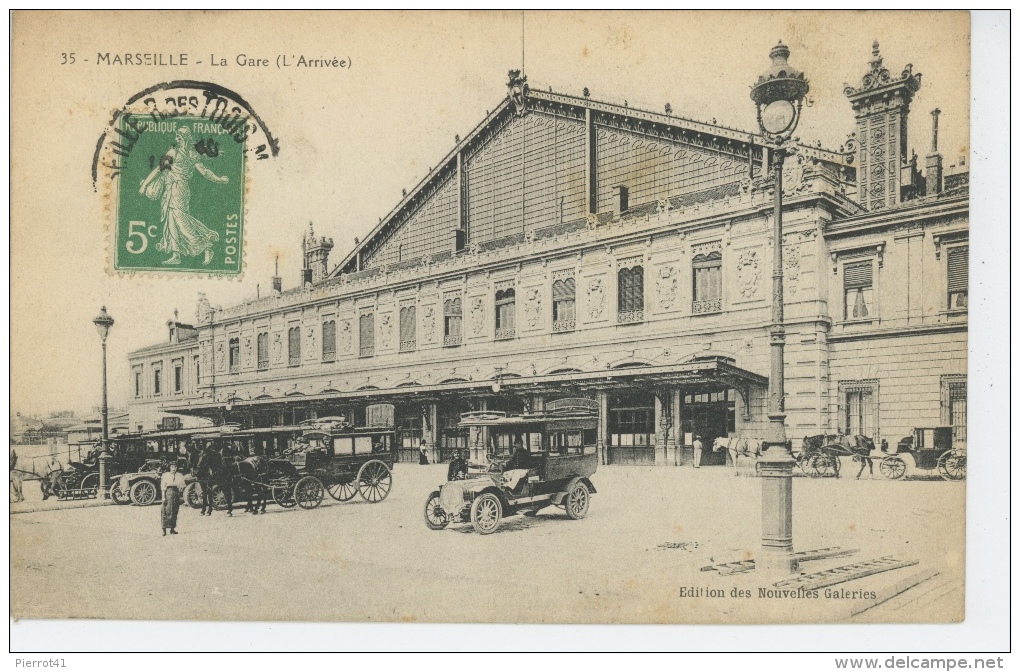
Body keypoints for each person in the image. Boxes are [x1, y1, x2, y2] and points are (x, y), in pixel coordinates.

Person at [140, 126, 229, 266]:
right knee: (172, 220)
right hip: (172, 188)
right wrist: (145, 184)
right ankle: (176, 255)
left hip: (179, 189)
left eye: (180, 137)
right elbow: (160, 169)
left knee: (180, 219)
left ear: (186, 138)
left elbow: (204, 171)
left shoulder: (186, 154)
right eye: (177, 137)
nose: (177, 139)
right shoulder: (175, 152)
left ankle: (206, 245)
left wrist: (218, 179)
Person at [160, 461, 187, 536]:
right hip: (168, 492)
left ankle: (172, 529)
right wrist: (163, 497)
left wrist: (181, 489)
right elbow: (163, 486)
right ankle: (164, 529)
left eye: (175, 467)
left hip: (176, 493)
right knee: (166, 510)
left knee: (175, 510)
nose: (174, 468)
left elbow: (183, 485)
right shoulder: (165, 475)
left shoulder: (180, 475)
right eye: (172, 467)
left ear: (177, 467)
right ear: (170, 467)